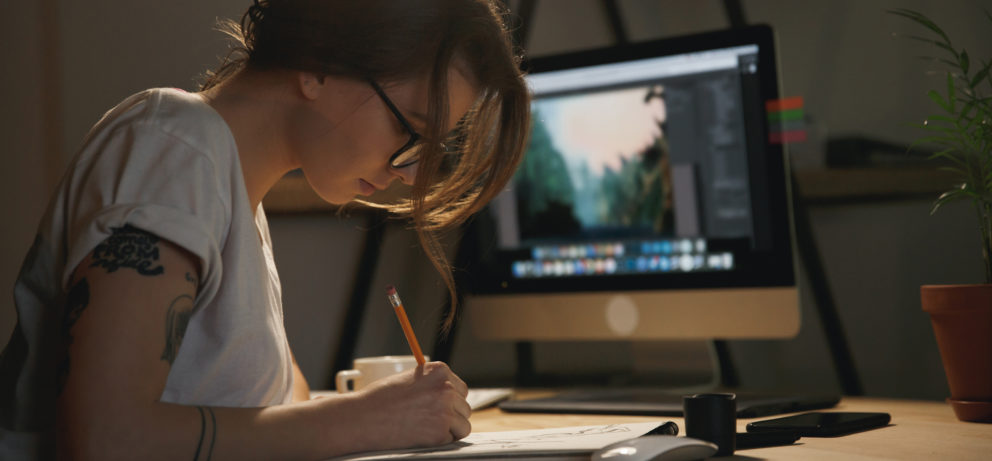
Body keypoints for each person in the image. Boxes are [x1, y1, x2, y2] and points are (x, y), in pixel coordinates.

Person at [0, 0, 530, 459]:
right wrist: (367, 419)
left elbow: (277, 410)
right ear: (318, 62)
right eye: (408, 129)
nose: (409, 171)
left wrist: (388, 408)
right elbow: (103, 442)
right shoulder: (175, 147)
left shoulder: (232, 196)